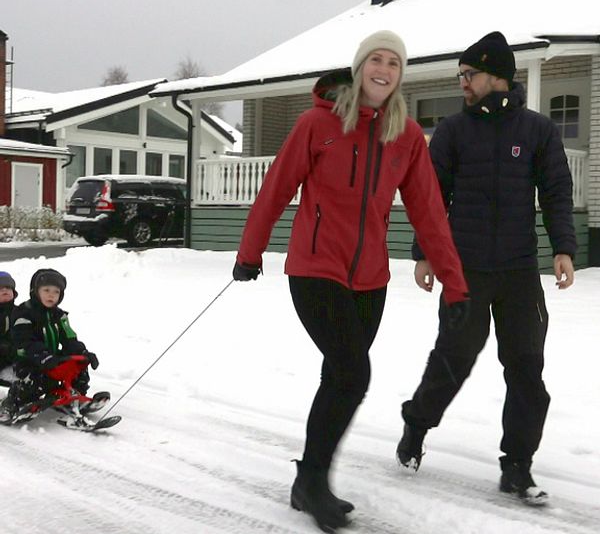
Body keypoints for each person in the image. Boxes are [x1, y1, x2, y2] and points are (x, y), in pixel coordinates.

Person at [232, 30, 469, 532]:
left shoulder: (405, 136)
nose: (384, 69)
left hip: (370, 278)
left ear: (401, 75)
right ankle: (314, 480)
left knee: (339, 376)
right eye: (376, 60)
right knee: (352, 372)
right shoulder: (318, 123)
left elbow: (429, 211)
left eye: (394, 63)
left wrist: (455, 280)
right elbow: (277, 187)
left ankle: (308, 481)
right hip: (316, 269)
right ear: (360, 66)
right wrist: (250, 251)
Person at [396, 31, 577, 505]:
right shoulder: (454, 132)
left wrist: (564, 248)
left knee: (526, 370)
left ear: (496, 76)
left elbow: (557, 191)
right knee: (453, 359)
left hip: (518, 271)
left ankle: (517, 465)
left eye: (468, 74)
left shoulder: (538, 130)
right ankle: (416, 425)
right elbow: (430, 198)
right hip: (465, 270)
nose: (462, 83)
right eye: (460, 75)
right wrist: (425, 253)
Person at [0, 268, 100, 424]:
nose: (51, 295)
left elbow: (69, 338)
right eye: (46, 290)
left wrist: (83, 353)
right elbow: (25, 340)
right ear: (35, 291)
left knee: (77, 366)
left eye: (56, 292)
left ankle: (73, 396)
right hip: (27, 359)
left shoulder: (59, 315)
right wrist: (43, 356)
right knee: (37, 380)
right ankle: (12, 402)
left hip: (50, 357)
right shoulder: (23, 313)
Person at [0, 271, 18, 377]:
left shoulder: (21, 311)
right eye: (1, 288)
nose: (5, 290)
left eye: (8, 287)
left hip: (16, 353)